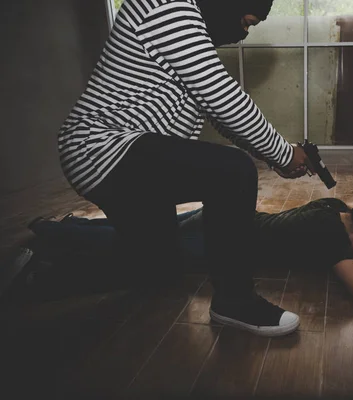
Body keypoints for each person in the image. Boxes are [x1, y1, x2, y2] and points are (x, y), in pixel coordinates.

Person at [57, 0, 314, 336]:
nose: (243, 33)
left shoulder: (190, 29)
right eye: (247, 21)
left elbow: (218, 114)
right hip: (102, 147)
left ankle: (45, 262)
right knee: (232, 172)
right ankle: (234, 301)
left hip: (139, 157)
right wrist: (282, 153)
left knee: (158, 270)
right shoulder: (168, 6)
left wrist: (270, 156)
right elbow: (223, 98)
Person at [28, 198, 353, 304]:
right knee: (136, 248)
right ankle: (53, 255)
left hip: (223, 215)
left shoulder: (332, 207)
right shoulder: (333, 241)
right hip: (219, 242)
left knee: (143, 232)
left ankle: (58, 229)